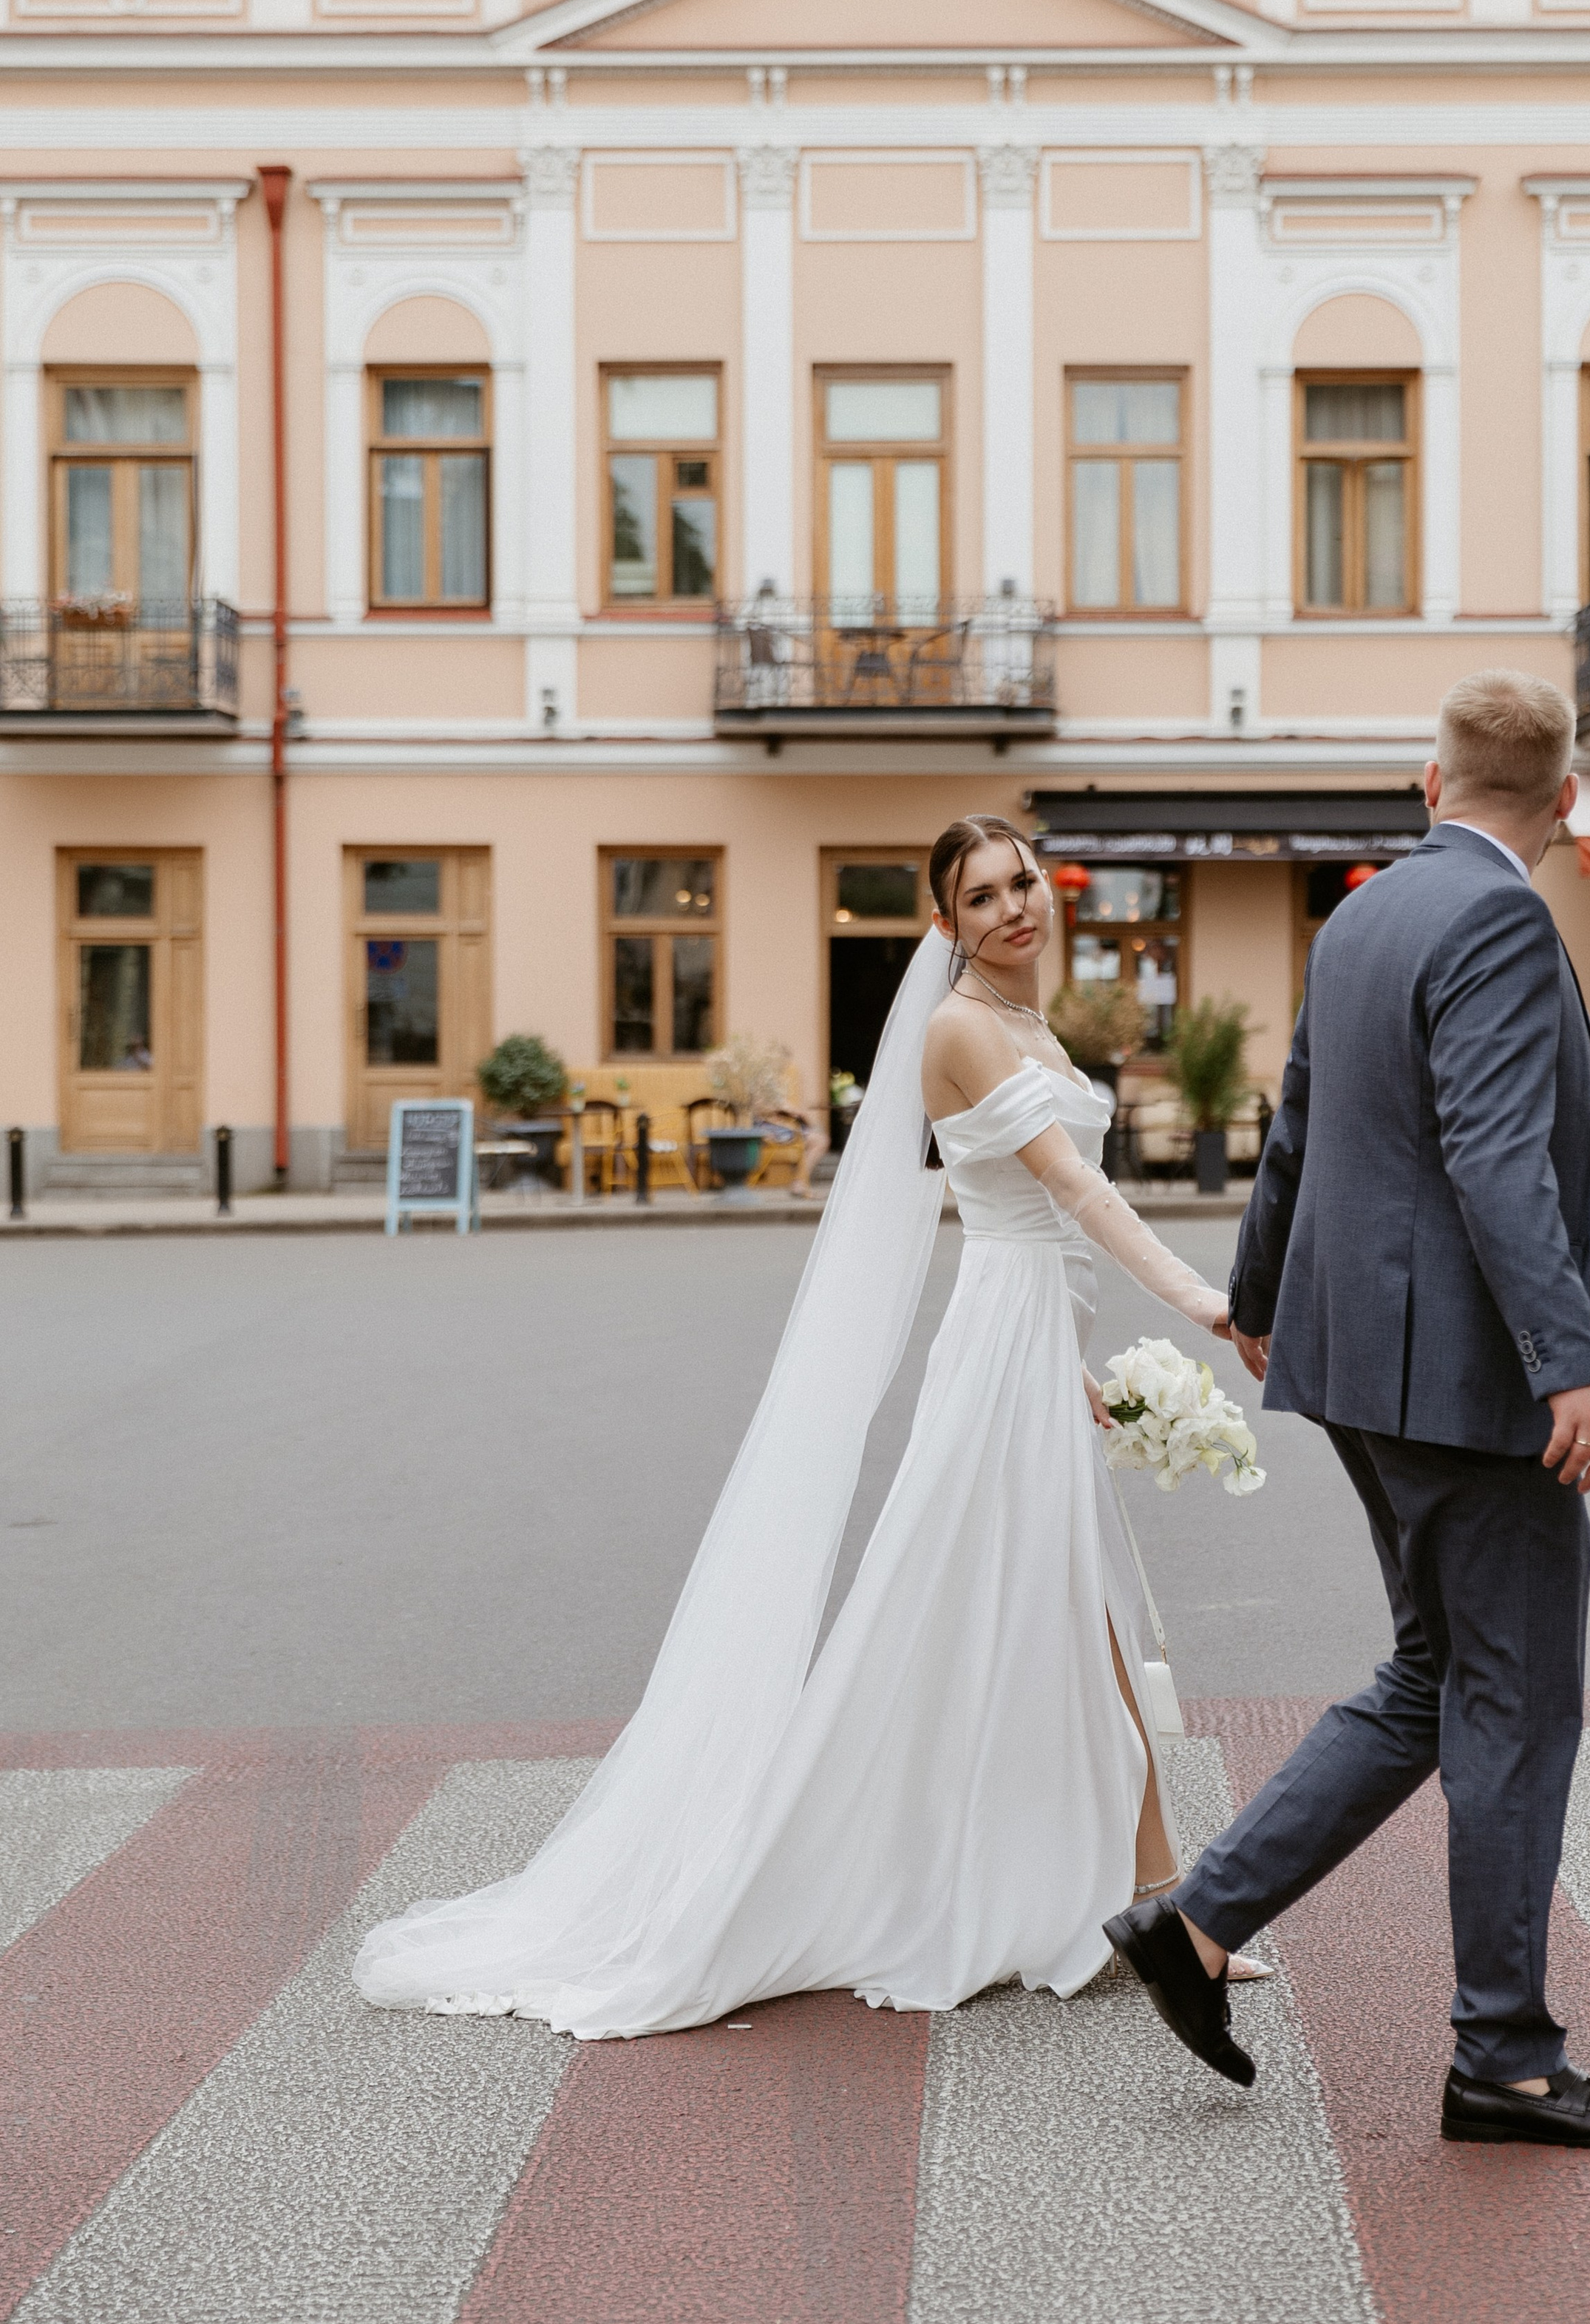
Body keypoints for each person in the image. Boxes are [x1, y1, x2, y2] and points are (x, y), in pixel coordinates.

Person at [354, 814, 1255, 2036]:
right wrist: (1203, 1301)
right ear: (946, 926)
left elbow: (1041, 1236)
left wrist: (1077, 1361)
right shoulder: (960, 1029)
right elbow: (1073, 1193)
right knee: (1021, 1615)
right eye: (980, 897)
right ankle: (1114, 1903)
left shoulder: (1031, 1025)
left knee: (1081, 1621)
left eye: (1022, 883)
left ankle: (1159, 1904)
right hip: (1001, 1346)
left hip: (1033, 1342)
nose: (1010, 909)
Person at [1107, 671, 1590, 2150]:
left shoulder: (1362, 911)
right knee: (1512, 1703)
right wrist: (1570, 1362)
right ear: (1563, 805)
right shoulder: (1499, 919)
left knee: (1437, 1674)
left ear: (1425, 783)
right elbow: (1496, 1160)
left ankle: (1194, 1924)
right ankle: (1499, 2058)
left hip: (1360, 1370)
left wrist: (1253, 1302)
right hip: (1470, 1386)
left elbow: (1290, 1125)